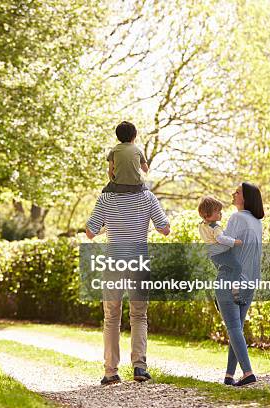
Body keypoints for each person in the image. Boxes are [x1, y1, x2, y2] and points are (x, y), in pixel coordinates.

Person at [86, 186, 170, 385]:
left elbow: (90, 232)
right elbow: (165, 229)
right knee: (139, 315)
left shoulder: (106, 197)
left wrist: (109, 226)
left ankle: (110, 372)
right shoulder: (147, 196)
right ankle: (139, 366)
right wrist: (147, 225)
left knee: (111, 317)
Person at [215, 182, 264, 387]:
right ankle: (229, 375)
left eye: (237, 192)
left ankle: (248, 372)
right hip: (250, 281)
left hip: (231, 280)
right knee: (237, 330)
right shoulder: (257, 222)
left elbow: (222, 247)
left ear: (246, 198)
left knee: (234, 328)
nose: (233, 194)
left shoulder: (236, 218)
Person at [197, 196, 245, 305]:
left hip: (213, 255)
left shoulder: (202, 225)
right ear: (208, 215)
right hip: (221, 253)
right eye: (218, 212)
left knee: (223, 272)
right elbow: (220, 238)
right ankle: (235, 292)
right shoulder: (215, 227)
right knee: (237, 267)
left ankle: (219, 295)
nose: (220, 214)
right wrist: (234, 242)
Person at [102, 121, 149, 194]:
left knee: (104, 191)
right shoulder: (138, 150)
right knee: (146, 190)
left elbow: (110, 171)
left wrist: (113, 181)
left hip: (118, 186)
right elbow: (146, 169)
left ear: (118, 137)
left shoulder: (114, 150)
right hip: (136, 186)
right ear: (134, 136)